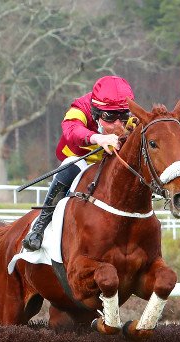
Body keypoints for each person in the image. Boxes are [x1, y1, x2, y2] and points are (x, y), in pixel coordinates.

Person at [22, 75, 135, 251]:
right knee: (71, 164)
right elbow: (72, 130)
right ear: (96, 113)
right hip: (82, 158)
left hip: (111, 161)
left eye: (123, 117)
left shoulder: (128, 114)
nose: (117, 124)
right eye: (110, 118)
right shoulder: (79, 109)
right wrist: (98, 138)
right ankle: (39, 227)